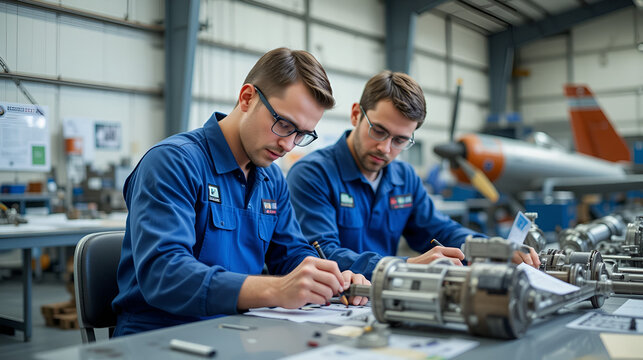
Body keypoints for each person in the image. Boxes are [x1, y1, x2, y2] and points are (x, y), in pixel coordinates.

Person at [112, 48, 369, 336]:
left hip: (237, 332)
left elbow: (291, 254)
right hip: (159, 337)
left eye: (301, 135)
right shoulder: (173, 162)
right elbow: (164, 274)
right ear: (247, 98)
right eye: (283, 124)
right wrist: (276, 289)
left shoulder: (272, 179)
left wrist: (327, 278)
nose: (289, 146)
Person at [286, 70, 540, 280]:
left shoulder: (404, 177)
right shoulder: (312, 174)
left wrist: (493, 248)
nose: (385, 148)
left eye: (400, 140)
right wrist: (407, 265)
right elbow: (322, 254)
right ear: (356, 115)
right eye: (378, 131)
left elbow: (440, 230)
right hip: (330, 305)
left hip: (380, 300)